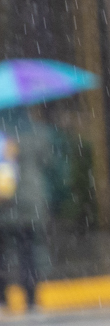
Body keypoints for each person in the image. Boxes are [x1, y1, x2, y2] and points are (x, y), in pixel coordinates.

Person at [0, 112, 52, 312]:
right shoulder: (36, 130)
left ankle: (3, 297)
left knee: (2, 252)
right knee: (28, 251)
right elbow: (47, 160)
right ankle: (30, 297)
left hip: (4, 199)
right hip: (30, 198)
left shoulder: (2, 131)